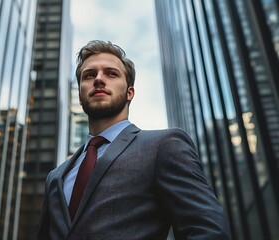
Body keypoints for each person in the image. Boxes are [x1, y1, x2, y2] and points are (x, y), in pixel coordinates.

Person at [37, 40, 230, 240]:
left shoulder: (163, 146)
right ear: (79, 95)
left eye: (111, 73)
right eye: (89, 75)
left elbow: (207, 231)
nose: (99, 79)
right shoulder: (56, 176)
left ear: (130, 92)